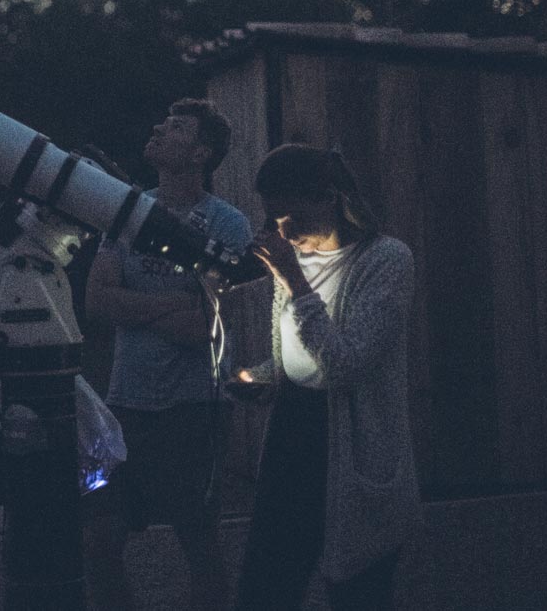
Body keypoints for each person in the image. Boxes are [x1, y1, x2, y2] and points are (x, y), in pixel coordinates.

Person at [233, 145, 422, 610]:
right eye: (273, 219)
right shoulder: (295, 261)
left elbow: (345, 364)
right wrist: (264, 376)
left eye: (290, 217)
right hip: (291, 435)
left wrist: (293, 280)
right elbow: (300, 353)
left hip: (352, 444)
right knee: (267, 584)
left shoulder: (385, 260)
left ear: (328, 199)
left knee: (358, 589)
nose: (283, 231)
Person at [83, 99, 251, 611]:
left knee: (198, 542)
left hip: (193, 408)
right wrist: (171, 305)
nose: (158, 128)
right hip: (126, 405)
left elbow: (203, 326)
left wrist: (137, 306)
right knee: (98, 540)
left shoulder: (227, 225)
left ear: (201, 153)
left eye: (176, 127)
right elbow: (96, 301)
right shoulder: (127, 213)